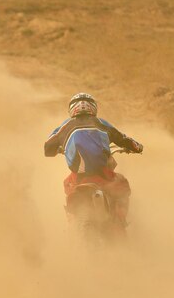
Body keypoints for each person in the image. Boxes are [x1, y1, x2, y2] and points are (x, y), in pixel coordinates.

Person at [44, 93, 143, 224]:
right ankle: (121, 221)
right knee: (122, 184)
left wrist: (59, 149)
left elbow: (47, 149)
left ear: (71, 109)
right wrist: (137, 147)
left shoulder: (64, 126)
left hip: (77, 177)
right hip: (102, 173)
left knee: (68, 187)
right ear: (94, 107)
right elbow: (123, 139)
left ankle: (72, 223)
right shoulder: (101, 123)